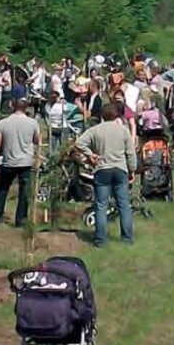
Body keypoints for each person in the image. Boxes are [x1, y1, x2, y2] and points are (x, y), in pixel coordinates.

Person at [74, 103, 137, 247]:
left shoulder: (95, 130)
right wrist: (132, 169)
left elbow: (79, 143)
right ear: (116, 115)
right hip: (120, 169)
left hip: (102, 169)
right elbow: (130, 152)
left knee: (101, 205)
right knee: (124, 205)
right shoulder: (123, 130)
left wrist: (91, 154)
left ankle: (100, 239)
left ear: (102, 115)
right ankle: (127, 238)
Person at [0, 99, 40, 227]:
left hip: (8, 162)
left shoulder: (3, 123)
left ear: (12, 106)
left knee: (3, 189)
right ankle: (20, 220)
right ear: (26, 108)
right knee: (24, 192)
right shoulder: (33, 123)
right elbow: (37, 141)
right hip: (26, 162)